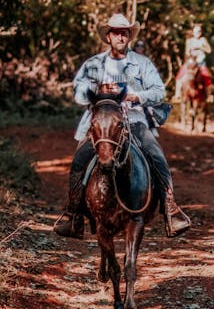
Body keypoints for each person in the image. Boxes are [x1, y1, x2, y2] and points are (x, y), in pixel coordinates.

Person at [53, 13, 191, 239]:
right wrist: (98, 92)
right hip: (99, 123)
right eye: (116, 32)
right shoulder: (94, 64)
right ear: (108, 37)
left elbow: (159, 91)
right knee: (80, 159)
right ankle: (73, 213)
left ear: (129, 36)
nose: (120, 36)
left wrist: (137, 96)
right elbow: (78, 93)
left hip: (134, 120)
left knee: (156, 155)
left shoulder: (142, 63)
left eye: (124, 32)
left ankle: (170, 207)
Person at [174, 23, 214, 101]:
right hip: (191, 62)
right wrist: (191, 55)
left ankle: (209, 95)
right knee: (179, 76)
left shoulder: (203, 40)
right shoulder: (189, 41)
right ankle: (177, 95)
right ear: (193, 32)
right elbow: (187, 52)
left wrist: (201, 47)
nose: (198, 33)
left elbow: (209, 50)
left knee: (207, 77)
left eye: (199, 31)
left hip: (200, 62)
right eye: (196, 31)